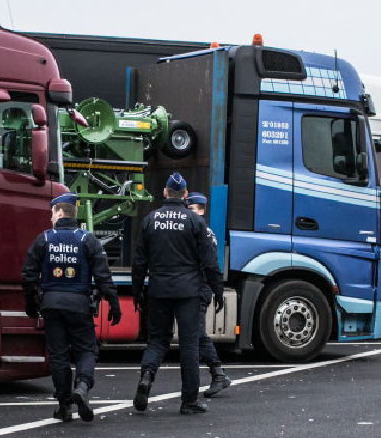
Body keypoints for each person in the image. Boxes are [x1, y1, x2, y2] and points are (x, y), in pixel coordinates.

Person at [21, 192, 122, 423]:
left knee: (58, 355)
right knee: (86, 350)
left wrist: (30, 304)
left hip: (51, 304)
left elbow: (28, 275)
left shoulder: (44, 239)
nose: (50, 219)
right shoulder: (87, 239)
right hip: (79, 305)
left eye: (51, 214)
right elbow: (103, 276)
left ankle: (64, 406)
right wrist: (114, 304)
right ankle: (82, 386)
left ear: (59, 213)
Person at [132, 173, 224, 414]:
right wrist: (218, 290)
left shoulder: (150, 220)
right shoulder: (195, 221)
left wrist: (137, 291)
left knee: (156, 341)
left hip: (159, 290)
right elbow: (210, 262)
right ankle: (189, 401)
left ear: (165, 192)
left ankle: (147, 377)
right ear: (185, 194)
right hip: (188, 293)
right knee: (189, 345)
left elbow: (139, 261)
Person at [186, 192, 232, 396]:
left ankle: (218, 374)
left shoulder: (205, 232)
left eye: (193, 209)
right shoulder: (192, 229)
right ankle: (217, 374)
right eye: (188, 209)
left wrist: (217, 290)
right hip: (193, 287)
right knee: (195, 334)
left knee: (197, 333)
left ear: (202, 211)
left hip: (200, 287)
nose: (190, 213)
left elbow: (211, 265)